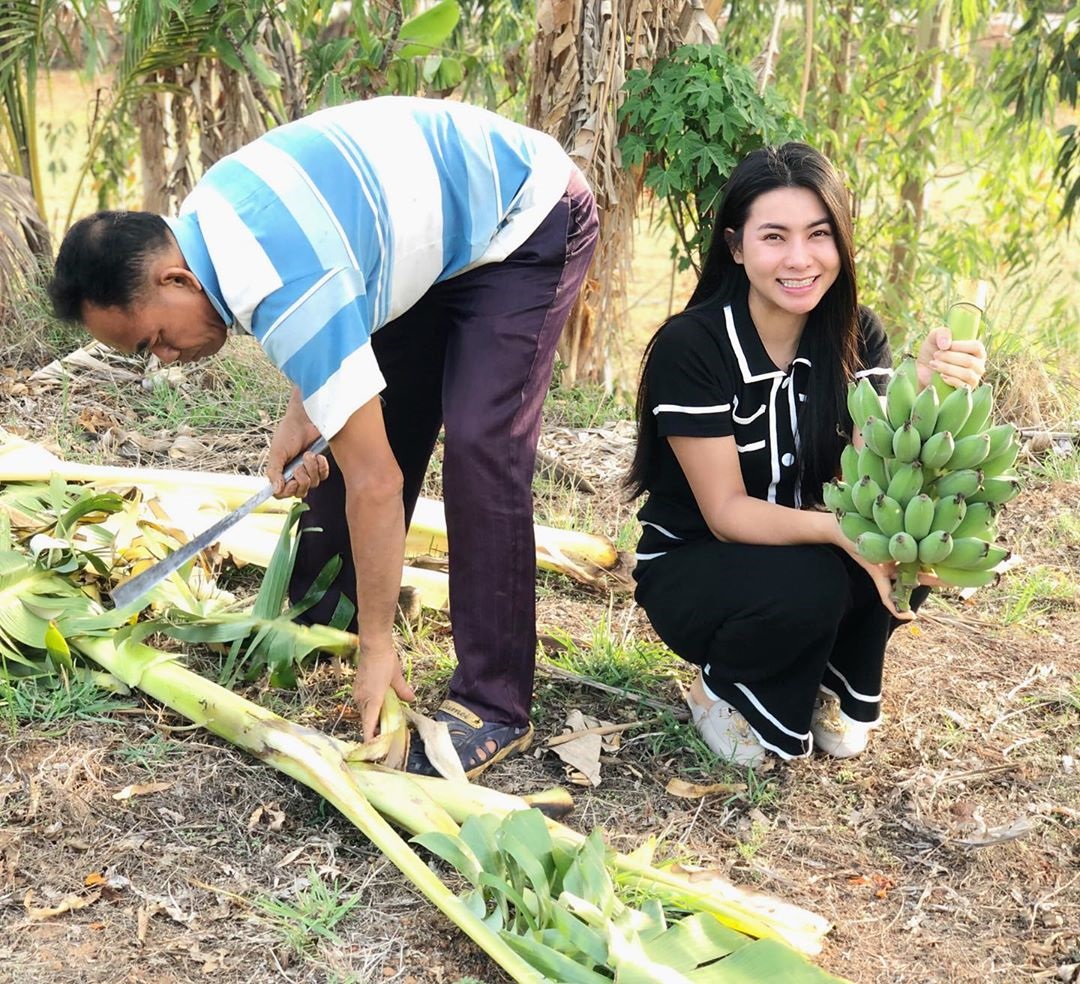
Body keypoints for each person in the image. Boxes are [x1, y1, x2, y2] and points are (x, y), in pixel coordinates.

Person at [48, 96, 599, 778]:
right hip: (427, 247)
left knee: (481, 449)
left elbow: (378, 480)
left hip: (522, 217)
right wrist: (300, 413)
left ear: (176, 278)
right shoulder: (207, 221)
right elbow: (334, 285)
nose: (164, 357)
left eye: (155, 339)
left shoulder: (278, 280)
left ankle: (495, 703)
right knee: (360, 429)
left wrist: (380, 645)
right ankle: (322, 613)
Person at [626, 143, 986, 766]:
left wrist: (922, 390)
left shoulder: (854, 330)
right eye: (774, 237)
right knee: (822, 574)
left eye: (819, 234)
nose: (800, 259)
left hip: (811, 546)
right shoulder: (692, 347)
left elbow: (873, 469)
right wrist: (845, 534)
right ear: (737, 247)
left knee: (908, 542)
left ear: (841, 244)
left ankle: (826, 680)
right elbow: (726, 513)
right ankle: (723, 690)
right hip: (698, 565)